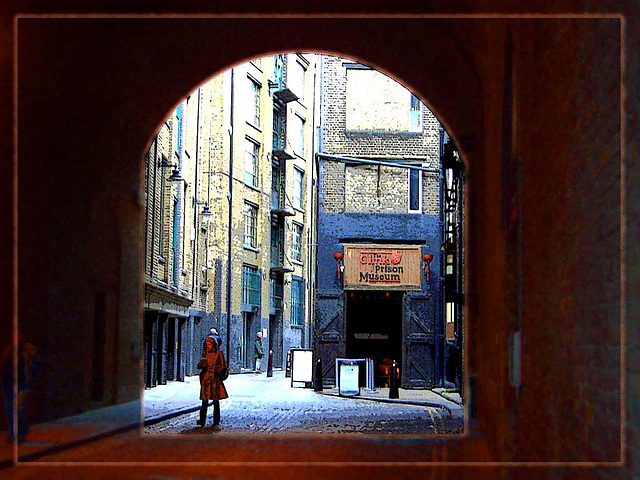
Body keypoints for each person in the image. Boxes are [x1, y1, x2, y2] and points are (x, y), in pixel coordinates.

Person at [0, 333, 42, 443]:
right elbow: (3, 363)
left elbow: (37, 364)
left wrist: (33, 379)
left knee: (18, 407)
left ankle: (22, 430)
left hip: (23, 383)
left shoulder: (28, 349)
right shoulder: (8, 349)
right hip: (8, 383)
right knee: (10, 409)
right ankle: (14, 434)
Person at [197, 335, 228, 429]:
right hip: (206, 379)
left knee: (215, 400)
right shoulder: (205, 353)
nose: (208, 345)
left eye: (210, 344)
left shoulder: (219, 354)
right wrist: (201, 364)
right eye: (207, 344)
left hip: (215, 379)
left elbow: (223, 365)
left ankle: (216, 421)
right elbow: (199, 366)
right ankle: (202, 421)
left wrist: (216, 371)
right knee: (204, 401)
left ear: (214, 345)